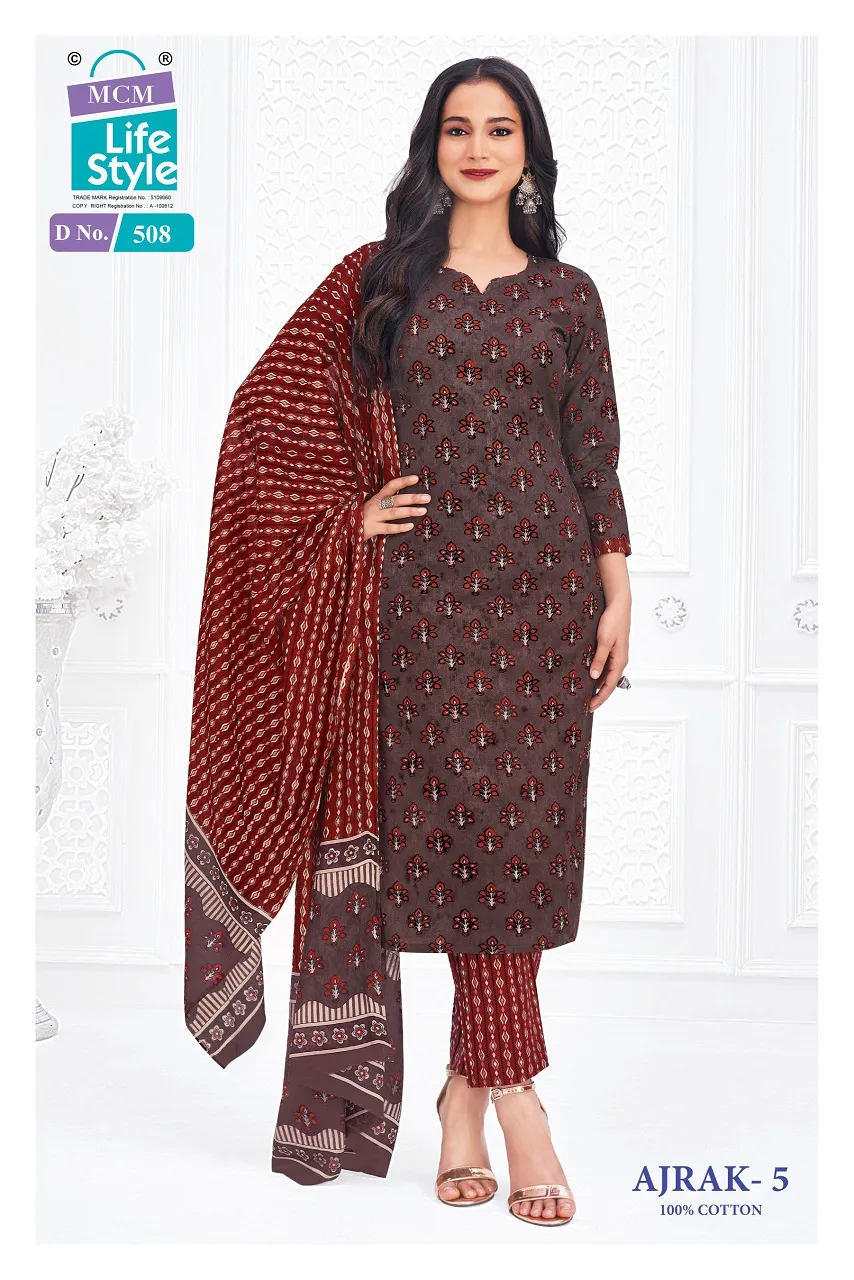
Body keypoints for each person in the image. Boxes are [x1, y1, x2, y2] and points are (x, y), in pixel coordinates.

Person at [184, 54, 631, 1228]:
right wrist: (348, 514)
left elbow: (591, 452)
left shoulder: (567, 295)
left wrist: (615, 587)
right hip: (418, 610)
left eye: (499, 128)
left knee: (522, 844)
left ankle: (463, 1097)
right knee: (474, 834)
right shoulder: (377, 282)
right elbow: (264, 419)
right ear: (432, 147)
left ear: (529, 150)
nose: (477, 147)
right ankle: (518, 1099)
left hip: (543, 604)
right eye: (456, 128)